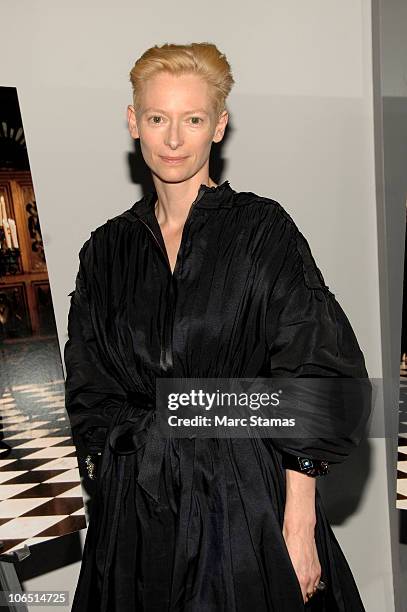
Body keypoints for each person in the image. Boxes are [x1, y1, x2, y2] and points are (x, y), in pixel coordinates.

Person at [64, 42, 371, 612]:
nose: (174, 139)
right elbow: (90, 386)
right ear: (134, 122)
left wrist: (298, 526)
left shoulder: (262, 230)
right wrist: (115, 484)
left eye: (193, 119)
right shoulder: (105, 250)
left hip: (241, 494)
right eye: (157, 118)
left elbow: (315, 371)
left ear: (219, 126)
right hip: (138, 502)